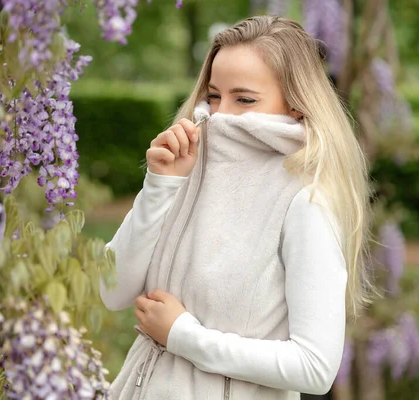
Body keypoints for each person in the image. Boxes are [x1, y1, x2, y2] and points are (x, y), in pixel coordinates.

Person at [100, 15, 373, 400]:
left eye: (244, 99)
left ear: (296, 105)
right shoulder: (188, 166)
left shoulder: (305, 201)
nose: (221, 114)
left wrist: (184, 336)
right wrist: (161, 184)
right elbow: (111, 291)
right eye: (213, 96)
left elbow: (315, 367)